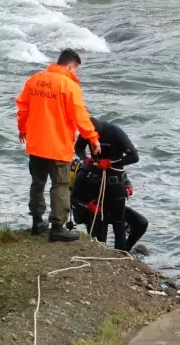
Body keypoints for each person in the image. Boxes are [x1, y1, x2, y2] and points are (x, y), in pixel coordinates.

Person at [15, 48, 100, 242]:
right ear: (70, 66)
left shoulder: (35, 80)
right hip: (58, 145)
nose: (75, 74)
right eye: (76, 70)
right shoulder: (69, 86)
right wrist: (93, 138)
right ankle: (58, 227)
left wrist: (22, 129)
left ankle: (37, 221)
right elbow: (81, 117)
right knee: (60, 186)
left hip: (36, 144)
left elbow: (22, 107)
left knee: (38, 183)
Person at [72, 119, 148, 252]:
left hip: (114, 181)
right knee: (99, 223)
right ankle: (100, 251)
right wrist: (86, 159)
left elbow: (134, 157)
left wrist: (111, 164)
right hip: (96, 193)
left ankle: (123, 252)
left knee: (135, 223)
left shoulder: (115, 132)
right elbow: (72, 198)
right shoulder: (85, 173)